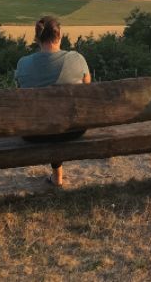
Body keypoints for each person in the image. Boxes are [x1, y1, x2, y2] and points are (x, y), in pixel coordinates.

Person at [15, 15, 91, 187]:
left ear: (37, 38)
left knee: (49, 119)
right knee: (59, 118)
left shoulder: (23, 64)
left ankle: (57, 177)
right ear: (60, 35)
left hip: (34, 134)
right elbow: (87, 90)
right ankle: (58, 176)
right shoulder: (76, 59)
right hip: (72, 130)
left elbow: (21, 90)